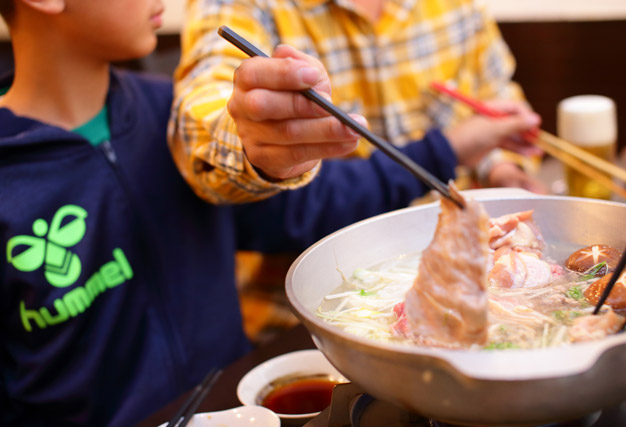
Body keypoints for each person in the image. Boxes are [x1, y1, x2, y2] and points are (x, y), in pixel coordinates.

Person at [0, 0, 537, 425]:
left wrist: (451, 150)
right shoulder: (184, 123)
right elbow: (213, 127)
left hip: (233, 405)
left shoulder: (162, 109)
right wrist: (255, 142)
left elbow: (303, 207)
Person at [169, 0, 547, 205]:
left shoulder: (457, 7)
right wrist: (255, 144)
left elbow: (496, 97)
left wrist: (501, 169)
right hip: (308, 301)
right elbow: (199, 122)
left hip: (465, 256)